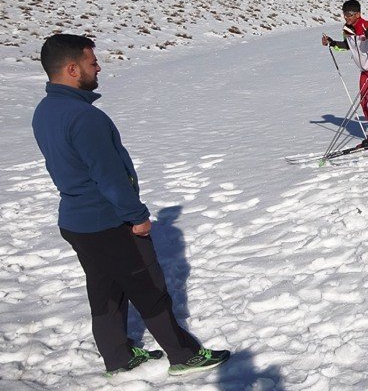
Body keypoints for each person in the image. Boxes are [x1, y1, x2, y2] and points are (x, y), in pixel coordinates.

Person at [31, 34, 230, 377]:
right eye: (93, 62)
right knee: (149, 288)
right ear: (72, 69)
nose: (99, 67)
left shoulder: (45, 111)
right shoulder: (84, 117)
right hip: (109, 221)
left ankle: (118, 358)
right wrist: (136, 217)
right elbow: (109, 177)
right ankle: (183, 356)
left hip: (76, 223)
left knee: (104, 289)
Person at [321, 0, 368, 148]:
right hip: (364, 71)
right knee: (364, 103)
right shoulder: (346, 29)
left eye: (350, 14)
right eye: (345, 14)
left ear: (358, 14)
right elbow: (347, 46)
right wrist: (332, 43)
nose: (346, 17)